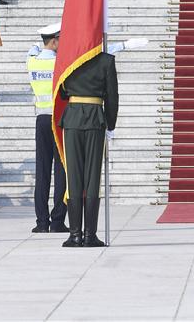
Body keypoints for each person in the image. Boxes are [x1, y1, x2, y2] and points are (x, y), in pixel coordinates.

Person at [58, 50, 119, 248]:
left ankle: (75, 234)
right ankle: (90, 235)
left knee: (74, 177)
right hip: (95, 118)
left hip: (73, 117)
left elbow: (62, 91)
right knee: (92, 178)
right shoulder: (106, 61)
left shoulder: (68, 57)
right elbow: (112, 96)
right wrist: (111, 124)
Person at [27, 23, 68, 234]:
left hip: (41, 119)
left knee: (42, 172)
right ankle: (58, 220)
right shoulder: (60, 63)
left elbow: (34, 49)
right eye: (60, 39)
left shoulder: (31, 62)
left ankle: (41, 222)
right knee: (61, 171)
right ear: (54, 41)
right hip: (58, 120)